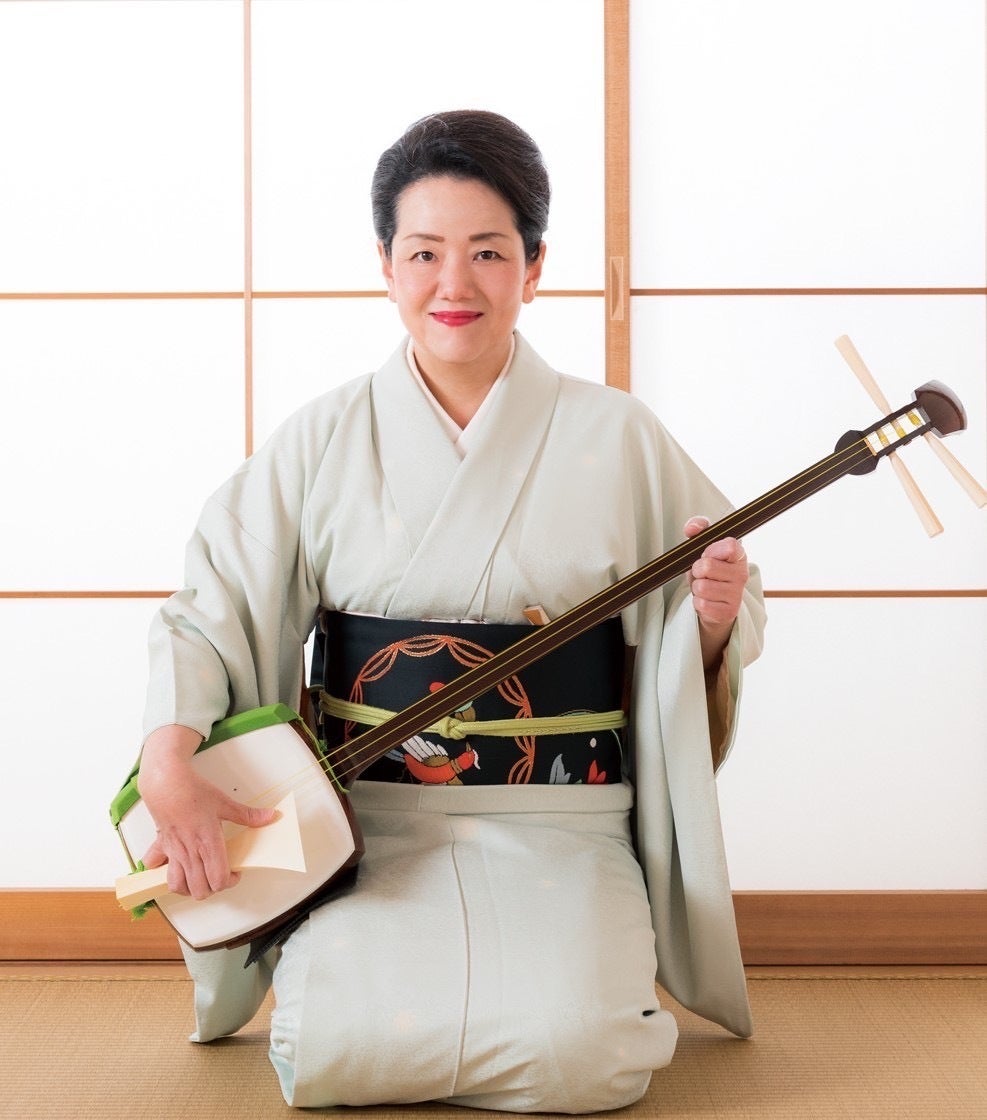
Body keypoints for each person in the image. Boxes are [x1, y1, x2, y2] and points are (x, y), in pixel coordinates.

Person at [133, 109, 766, 1113]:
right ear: (386, 265)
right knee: (332, 1044)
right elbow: (212, 609)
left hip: (559, 816)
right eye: (424, 252)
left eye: (488, 252)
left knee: (582, 1051)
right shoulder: (322, 439)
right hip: (367, 822)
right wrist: (169, 757)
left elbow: (696, 620)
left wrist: (715, 616)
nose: (454, 283)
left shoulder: (618, 436)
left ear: (535, 266)